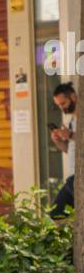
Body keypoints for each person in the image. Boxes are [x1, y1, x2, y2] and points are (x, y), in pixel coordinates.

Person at [50, 81, 77, 217]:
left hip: (78, 178)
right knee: (56, 214)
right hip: (73, 177)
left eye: (63, 103)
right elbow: (69, 150)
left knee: (57, 213)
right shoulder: (72, 120)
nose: (62, 108)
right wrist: (59, 141)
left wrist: (70, 135)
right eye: (59, 105)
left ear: (73, 96)